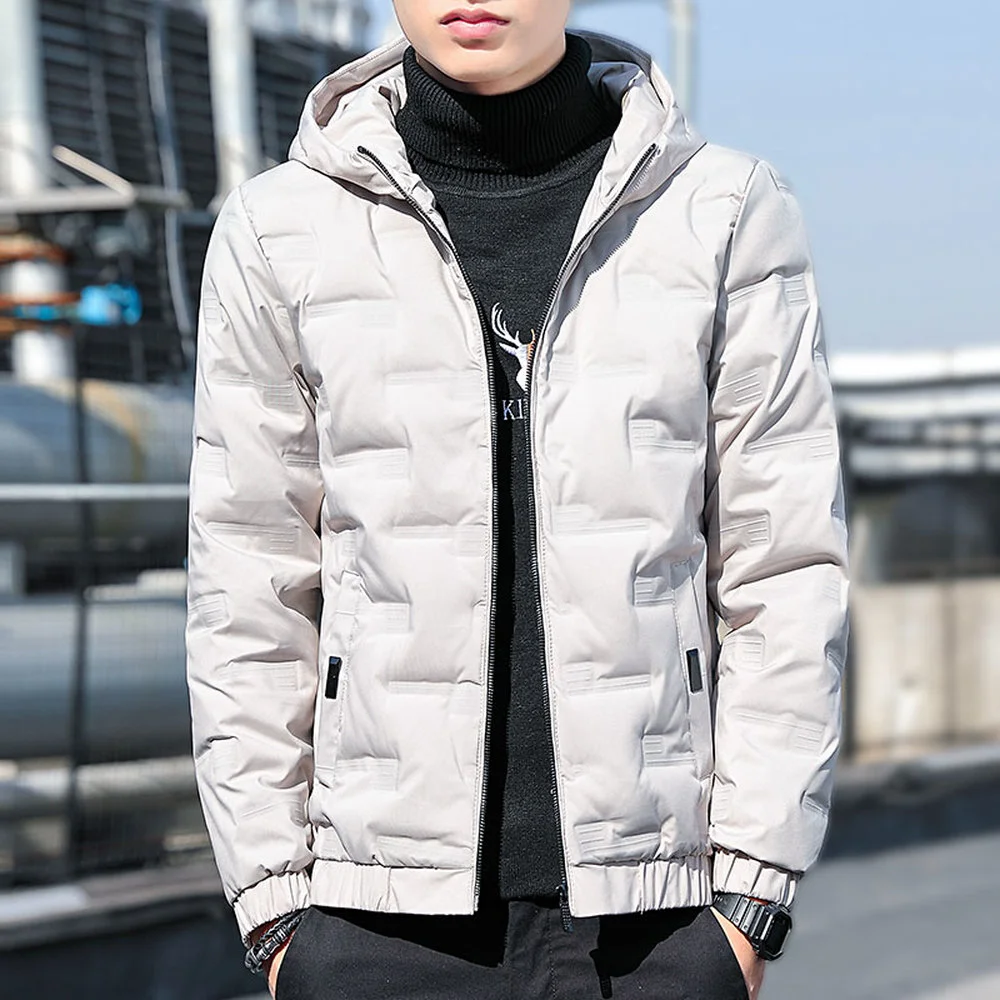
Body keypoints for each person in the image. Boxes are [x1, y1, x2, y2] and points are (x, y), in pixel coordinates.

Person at [185, 2, 849, 998]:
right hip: (370, 927)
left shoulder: (723, 212)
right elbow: (247, 579)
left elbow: (783, 565)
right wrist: (276, 908)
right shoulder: (281, 230)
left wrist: (748, 900)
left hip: (655, 928)